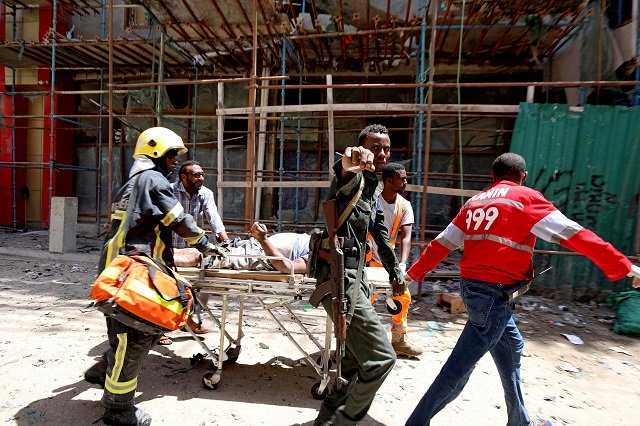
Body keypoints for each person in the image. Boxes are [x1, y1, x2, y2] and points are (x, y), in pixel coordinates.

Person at [404, 152, 640, 426]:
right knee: (459, 369)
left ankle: (519, 421)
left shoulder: (474, 203)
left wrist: (412, 274)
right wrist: (623, 266)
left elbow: (441, 243)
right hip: (495, 295)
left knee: (513, 345)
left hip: (475, 291)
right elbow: (575, 234)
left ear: (493, 177)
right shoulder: (526, 198)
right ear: (523, 176)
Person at [84, 127, 222, 426]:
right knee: (134, 338)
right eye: (172, 155)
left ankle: (104, 369)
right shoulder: (154, 180)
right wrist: (206, 245)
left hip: (115, 269)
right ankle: (118, 411)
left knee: (126, 333)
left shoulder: (132, 183)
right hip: (134, 272)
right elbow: (178, 219)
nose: (175, 161)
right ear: (156, 152)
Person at [312, 124, 403, 426]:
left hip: (357, 281)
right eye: (375, 147)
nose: (381, 153)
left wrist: (395, 273)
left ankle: (326, 420)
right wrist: (352, 157)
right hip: (337, 279)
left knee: (351, 364)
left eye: (386, 148)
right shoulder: (352, 175)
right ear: (362, 147)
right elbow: (344, 166)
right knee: (382, 359)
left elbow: (380, 234)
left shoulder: (374, 185)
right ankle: (346, 421)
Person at [158, 160, 229, 344]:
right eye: (196, 175)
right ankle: (160, 329)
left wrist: (227, 244)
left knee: (202, 285)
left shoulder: (206, 194)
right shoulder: (169, 191)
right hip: (169, 249)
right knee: (165, 290)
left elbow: (215, 220)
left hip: (193, 250)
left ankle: (188, 321)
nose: (201, 178)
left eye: (202, 174)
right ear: (183, 177)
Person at [367, 162, 422, 357]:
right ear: (389, 180)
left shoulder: (404, 205)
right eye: (403, 178)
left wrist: (402, 265)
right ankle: (356, 341)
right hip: (367, 261)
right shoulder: (373, 202)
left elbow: (405, 237)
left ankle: (398, 341)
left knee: (402, 296)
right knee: (364, 300)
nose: (406, 181)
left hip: (388, 263)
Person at [174, 221, 310, 274]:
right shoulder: (320, 241)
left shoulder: (318, 256)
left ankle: (157, 261)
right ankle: (156, 255)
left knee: (205, 257)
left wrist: (263, 239)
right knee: (205, 250)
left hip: (259, 256)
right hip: (256, 246)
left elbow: (286, 267)